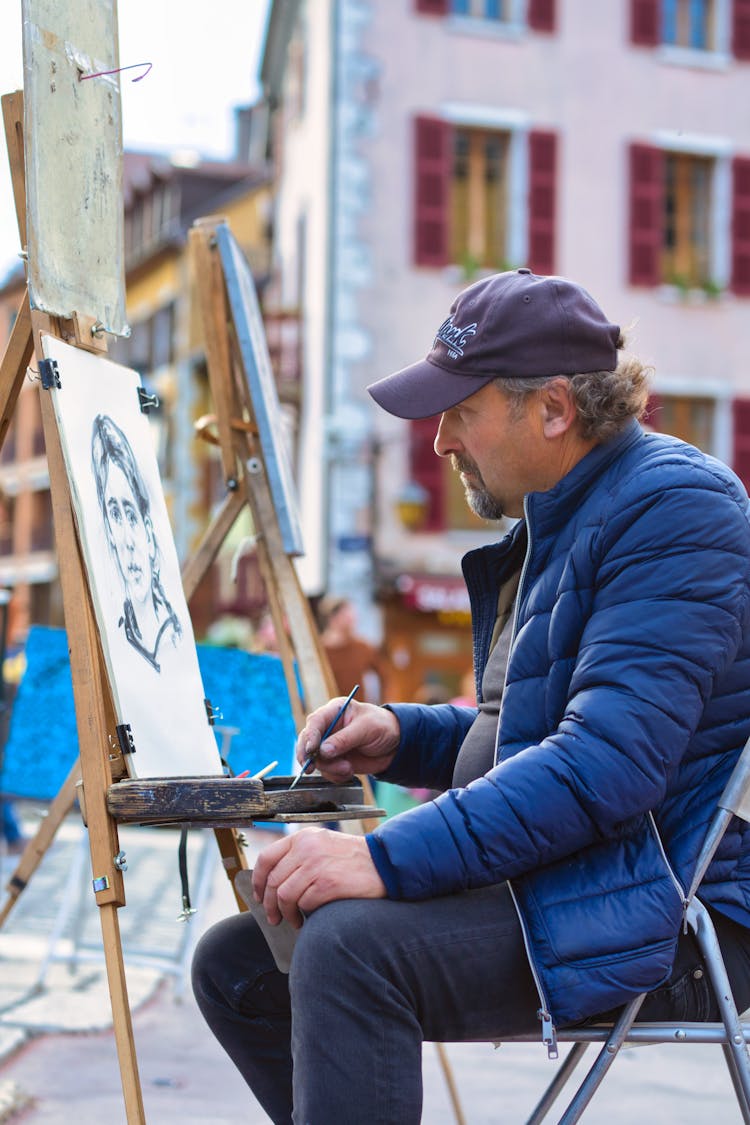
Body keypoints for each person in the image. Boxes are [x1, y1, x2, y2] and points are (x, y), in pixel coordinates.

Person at [192, 269, 750, 1123]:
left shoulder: (678, 508)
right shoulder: (564, 514)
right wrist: (404, 735)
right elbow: (536, 732)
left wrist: (379, 859)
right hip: (590, 873)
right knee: (239, 964)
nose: (442, 439)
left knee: (345, 947)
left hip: (673, 906)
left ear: (554, 408)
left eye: (462, 410)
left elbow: (604, 766)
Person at [91, 414, 182, 673]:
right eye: (116, 516)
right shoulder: (116, 639)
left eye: (131, 515)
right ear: (109, 532)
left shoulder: (175, 636)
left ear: (149, 534)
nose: (128, 542)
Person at [317, 594, 389, 703]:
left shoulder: (362, 647)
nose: (353, 620)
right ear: (332, 618)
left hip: (357, 711)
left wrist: (386, 705)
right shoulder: (318, 650)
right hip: (327, 711)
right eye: (347, 616)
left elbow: (385, 675)